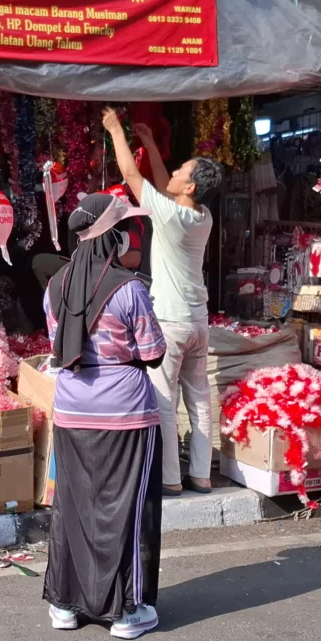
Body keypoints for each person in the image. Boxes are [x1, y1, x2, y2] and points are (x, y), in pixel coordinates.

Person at [42, 193, 167, 640]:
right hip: (126, 414)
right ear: (113, 236)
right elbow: (153, 353)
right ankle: (126, 611)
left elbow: (58, 343)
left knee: (73, 505)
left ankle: (64, 605)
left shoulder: (54, 285)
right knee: (127, 510)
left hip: (71, 410)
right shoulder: (129, 287)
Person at [103, 107, 223, 496]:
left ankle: (170, 478)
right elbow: (157, 181)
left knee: (165, 400)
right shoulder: (201, 216)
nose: (172, 173)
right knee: (200, 400)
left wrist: (116, 131)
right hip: (198, 322)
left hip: (170, 322)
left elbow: (133, 177)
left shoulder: (171, 216)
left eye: (180, 173)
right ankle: (201, 475)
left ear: (189, 188)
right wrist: (151, 144)